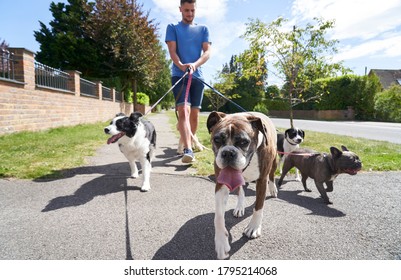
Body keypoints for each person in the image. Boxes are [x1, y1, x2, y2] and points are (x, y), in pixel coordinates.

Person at [165, 0, 212, 163]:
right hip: (179, 75)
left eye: (192, 10)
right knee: (183, 110)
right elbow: (172, 51)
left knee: (194, 114)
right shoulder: (172, 28)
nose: (190, 14)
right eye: (186, 10)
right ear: (180, 10)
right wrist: (181, 65)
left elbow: (207, 52)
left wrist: (194, 65)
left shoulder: (203, 29)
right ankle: (188, 149)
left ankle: (189, 140)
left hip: (198, 76)